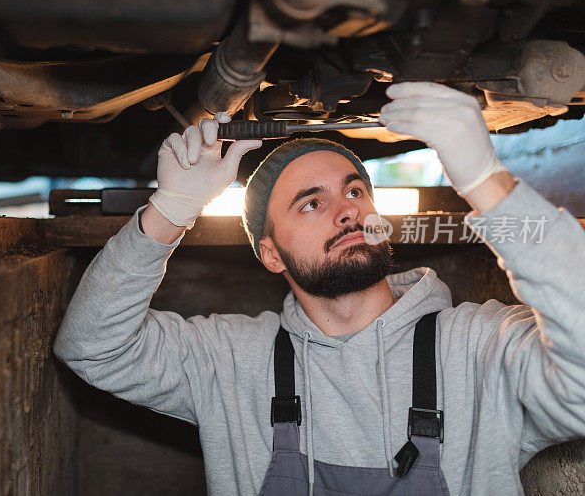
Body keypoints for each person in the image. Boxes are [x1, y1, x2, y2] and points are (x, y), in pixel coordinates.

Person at [53, 82, 585, 495]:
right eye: (311, 202)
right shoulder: (231, 362)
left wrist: (487, 181)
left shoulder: (482, 349)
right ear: (271, 253)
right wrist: (168, 213)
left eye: (355, 190)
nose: (348, 208)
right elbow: (93, 346)